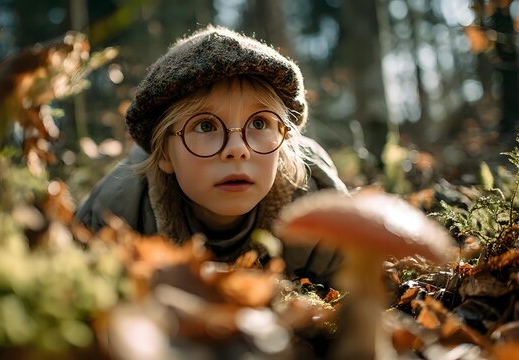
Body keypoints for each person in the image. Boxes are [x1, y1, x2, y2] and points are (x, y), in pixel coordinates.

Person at [75, 25, 347, 285]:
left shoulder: (317, 207)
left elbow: (357, 292)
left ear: (284, 135)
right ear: (164, 154)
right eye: (206, 126)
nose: (237, 150)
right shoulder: (120, 209)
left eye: (259, 123)